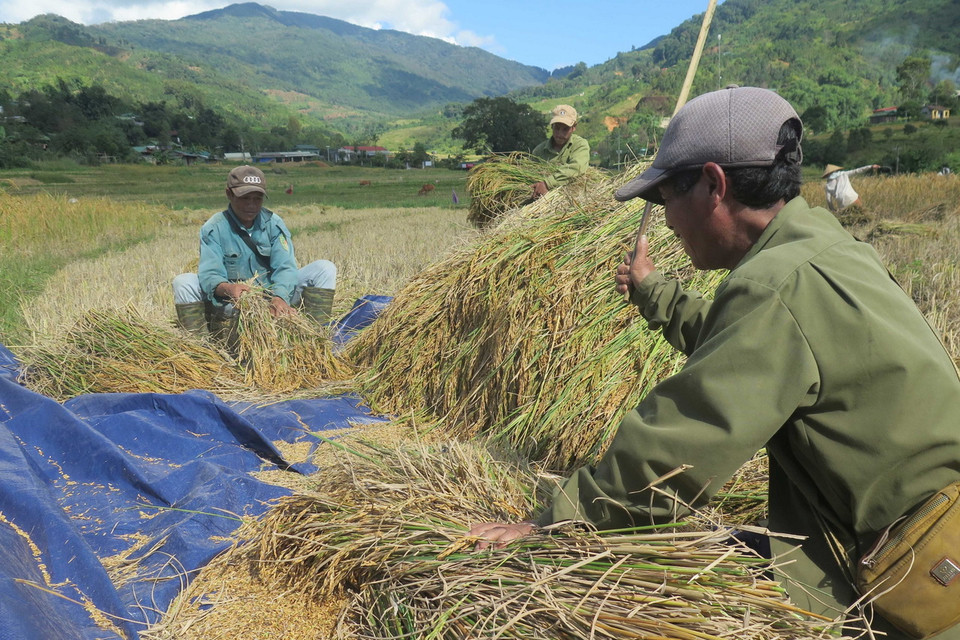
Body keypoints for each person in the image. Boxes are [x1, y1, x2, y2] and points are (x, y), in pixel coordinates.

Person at [471, 86, 960, 639]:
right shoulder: (822, 249)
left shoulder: (777, 285)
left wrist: (555, 519)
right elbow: (746, 347)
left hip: (924, 586)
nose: (667, 223)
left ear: (713, 184)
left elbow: (682, 443)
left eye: (663, 201)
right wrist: (655, 294)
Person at [172, 165, 337, 336]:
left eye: (257, 199)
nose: (251, 205)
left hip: (271, 299)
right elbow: (210, 275)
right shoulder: (214, 228)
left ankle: (315, 336)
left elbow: (286, 267)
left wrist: (279, 297)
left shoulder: (273, 223)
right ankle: (201, 348)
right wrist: (228, 289)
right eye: (245, 198)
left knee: (324, 268)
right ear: (229, 194)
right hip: (232, 304)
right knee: (183, 282)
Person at [529, 104, 590, 200]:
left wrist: (547, 184)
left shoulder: (580, 145)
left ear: (574, 127)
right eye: (557, 128)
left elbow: (576, 168)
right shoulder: (539, 151)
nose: (560, 134)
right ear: (552, 126)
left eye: (565, 129)